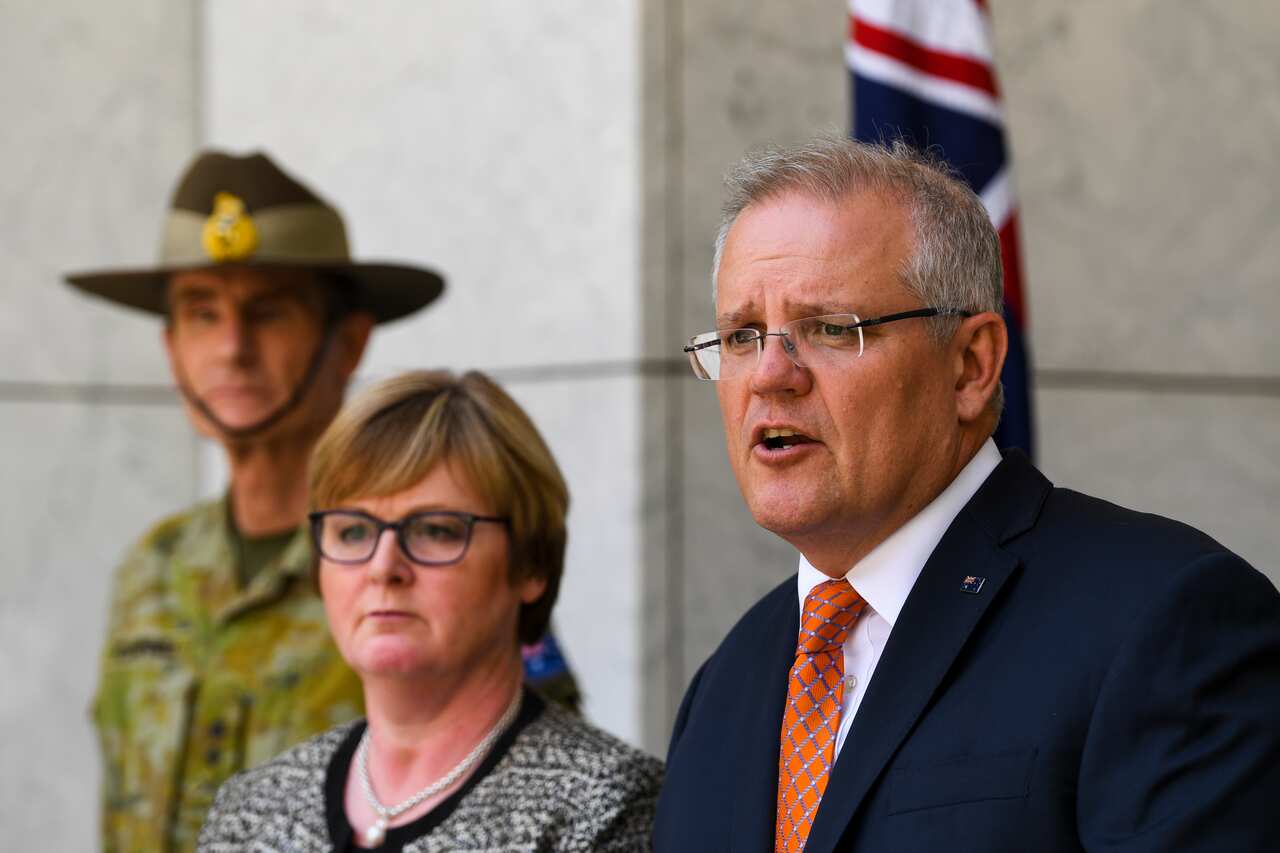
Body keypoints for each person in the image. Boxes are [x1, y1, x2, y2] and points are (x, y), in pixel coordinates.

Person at [653, 136, 1280, 852]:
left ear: (970, 365)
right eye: (741, 336)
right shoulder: (723, 686)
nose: (769, 375)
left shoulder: (1165, 618)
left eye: (829, 328)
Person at [65, 151, 581, 853]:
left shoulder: (429, 564)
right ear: (171, 346)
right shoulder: (149, 571)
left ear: (349, 341)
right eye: (201, 313)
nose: (232, 348)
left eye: (267, 313)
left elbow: (537, 799)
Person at [197, 369, 663, 851]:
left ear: (530, 564)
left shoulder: (605, 807)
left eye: (436, 530)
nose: (383, 567)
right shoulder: (252, 809)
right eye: (353, 531)